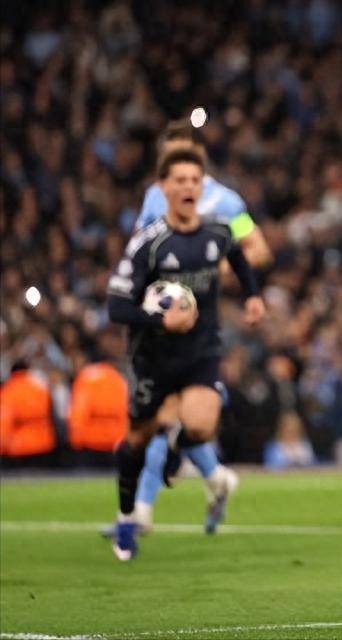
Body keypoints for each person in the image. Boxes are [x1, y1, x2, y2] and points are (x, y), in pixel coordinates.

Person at [106, 147, 265, 560]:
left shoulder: (220, 227)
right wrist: (161, 321)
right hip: (152, 359)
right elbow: (116, 307)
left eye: (194, 180)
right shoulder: (148, 243)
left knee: (202, 423)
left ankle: (175, 450)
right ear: (163, 187)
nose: (188, 187)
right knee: (136, 443)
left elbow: (241, 256)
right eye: (179, 180)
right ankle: (127, 517)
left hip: (200, 352)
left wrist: (252, 295)